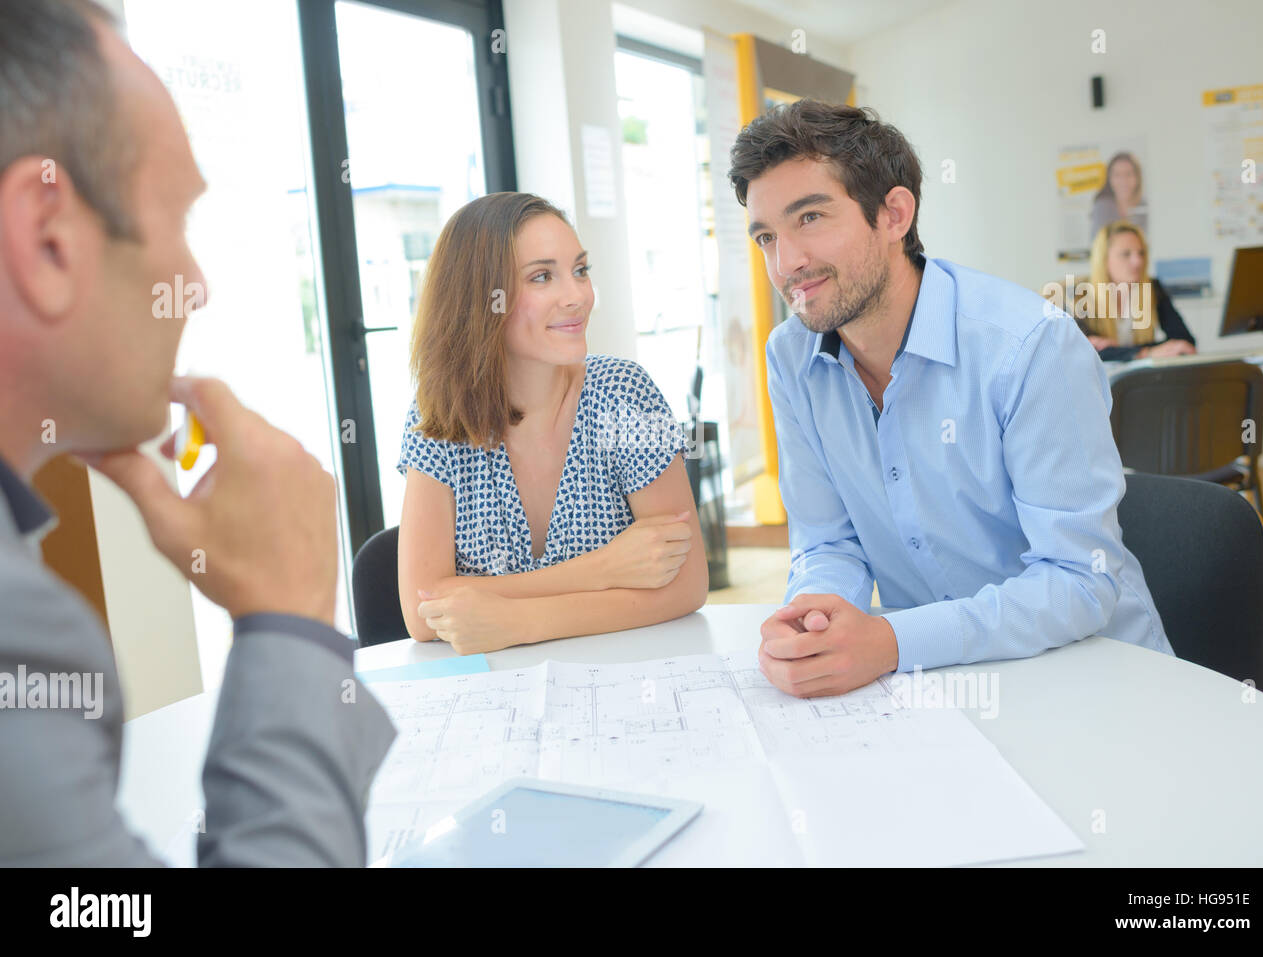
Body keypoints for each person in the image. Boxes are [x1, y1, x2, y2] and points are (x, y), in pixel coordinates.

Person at [0, 0, 394, 865]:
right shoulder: (17, 626)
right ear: (47, 239)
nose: (198, 284)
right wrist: (288, 614)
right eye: (177, 220)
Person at [727, 99, 1173, 698]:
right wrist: (816, 620)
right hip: (944, 685)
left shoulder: (1029, 346)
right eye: (765, 236)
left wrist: (891, 642)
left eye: (809, 218)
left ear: (894, 214)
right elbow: (827, 541)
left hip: (1096, 681)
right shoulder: (791, 358)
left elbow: (1077, 582)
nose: (787, 264)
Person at [396, 192, 708, 652]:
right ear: (482, 297)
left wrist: (518, 621)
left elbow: (687, 584)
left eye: (580, 271)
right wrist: (603, 569)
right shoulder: (436, 417)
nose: (577, 296)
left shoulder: (626, 393)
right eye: (542, 277)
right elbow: (423, 612)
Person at [1077, 220, 1196, 361]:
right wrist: (1147, 353)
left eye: (1141, 253)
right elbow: (1085, 352)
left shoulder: (1153, 288)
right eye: (1126, 254)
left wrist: (1123, 351)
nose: (1138, 261)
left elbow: (1184, 342)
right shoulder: (1080, 295)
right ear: (1104, 260)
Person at [1089, 151, 1148, 240]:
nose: (1123, 180)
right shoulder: (1102, 207)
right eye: (1117, 175)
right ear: (1109, 179)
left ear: (1137, 177)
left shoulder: (1145, 206)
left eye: (1128, 174)